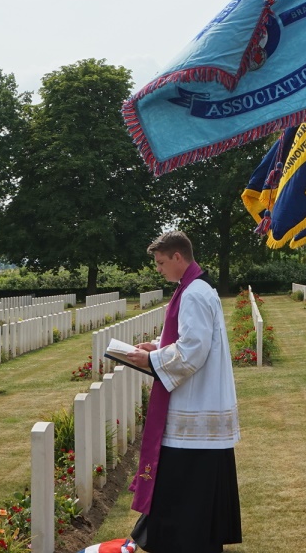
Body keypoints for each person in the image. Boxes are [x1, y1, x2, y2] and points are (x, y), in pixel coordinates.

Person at [125, 231, 241, 553]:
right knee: (192, 494)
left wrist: (151, 359)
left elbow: (193, 350)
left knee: (187, 496)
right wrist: (159, 347)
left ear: (178, 257)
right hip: (197, 408)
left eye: (161, 262)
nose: (159, 269)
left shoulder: (193, 293)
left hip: (194, 415)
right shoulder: (192, 288)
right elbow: (187, 341)